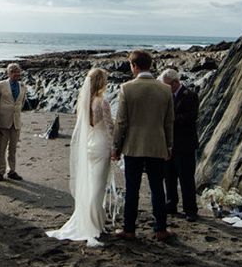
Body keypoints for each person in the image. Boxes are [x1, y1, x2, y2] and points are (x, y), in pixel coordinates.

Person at [112, 50, 174, 241]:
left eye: (131, 66)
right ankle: (161, 228)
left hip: (133, 145)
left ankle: (129, 229)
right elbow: (169, 121)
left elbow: (121, 121)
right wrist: (169, 146)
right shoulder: (165, 89)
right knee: (157, 188)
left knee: (132, 189)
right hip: (157, 145)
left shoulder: (127, 88)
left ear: (135, 66)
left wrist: (116, 146)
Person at [47, 68, 113, 247]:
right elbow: (110, 127)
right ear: (101, 82)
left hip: (90, 144)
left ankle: (92, 220)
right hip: (101, 145)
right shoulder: (101, 102)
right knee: (98, 187)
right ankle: (92, 224)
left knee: (91, 183)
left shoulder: (84, 101)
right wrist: (116, 147)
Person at [159, 68, 200, 222]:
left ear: (176, 82)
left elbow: (191, 117)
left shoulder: (189, 96)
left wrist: (171, 118)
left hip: (185, 143)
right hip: (169, 143)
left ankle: (190, 209)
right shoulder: (166, 96)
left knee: (186, 178)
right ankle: (171, 204)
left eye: (167, 84)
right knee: (169, 176)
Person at [0, 63, 27, 181]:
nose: (16, 73)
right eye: (13, 71)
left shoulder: (23, 86)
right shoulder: (0, 85)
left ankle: (12, 170)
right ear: (8, 73)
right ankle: (0, 172)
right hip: (2, 121)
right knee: (1, 148)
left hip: (16, 121)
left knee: (13, 149)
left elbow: (21, 103)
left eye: (18, 71)